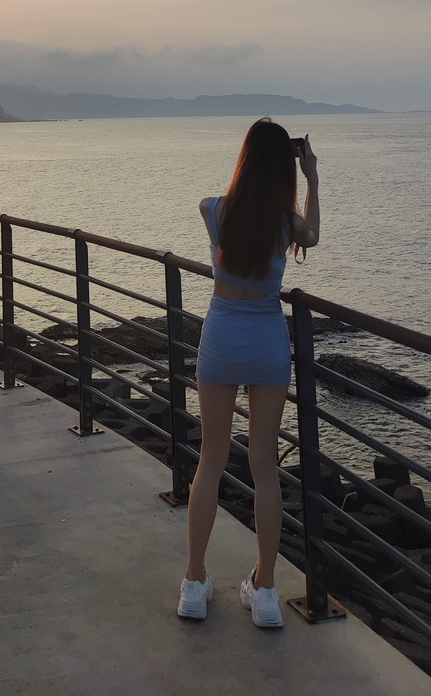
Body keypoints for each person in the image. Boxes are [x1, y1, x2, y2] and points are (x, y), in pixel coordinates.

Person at [177, 118, 319, 627]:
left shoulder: (215, 210)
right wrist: (311, 178)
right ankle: (264, 592)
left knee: (210, 461)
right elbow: (314, 234)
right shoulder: (285, 224)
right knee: (264, 467)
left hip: (220, 343)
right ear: (284, 165)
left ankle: (194, 584)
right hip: (266, 347)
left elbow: (210, 206)